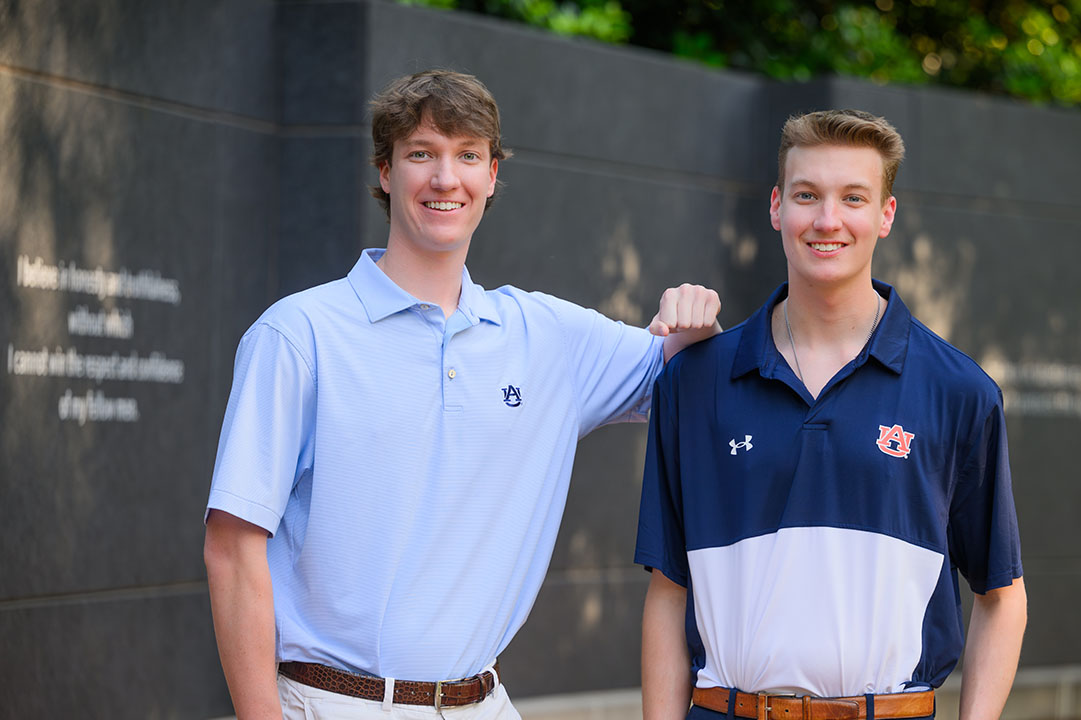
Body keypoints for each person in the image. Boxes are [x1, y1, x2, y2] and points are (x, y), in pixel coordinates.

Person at [203, 69, 721, 720]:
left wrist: (699, 323)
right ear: (385, 171)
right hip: (332, 704)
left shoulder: (547, 339)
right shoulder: (297, 336)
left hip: (484, 703)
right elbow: (231, 545)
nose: (446, 178)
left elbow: (683, 380)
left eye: (467, 155)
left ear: (492, 175)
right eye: (422, 153)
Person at [635, 109, 1026, 720]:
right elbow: (667, 589)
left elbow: (1001, 596)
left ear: (885, 216)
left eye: (853, 198)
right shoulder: (695, 380)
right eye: (807, 195)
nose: (827, 220)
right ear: (776, 207)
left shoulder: (959, 391)